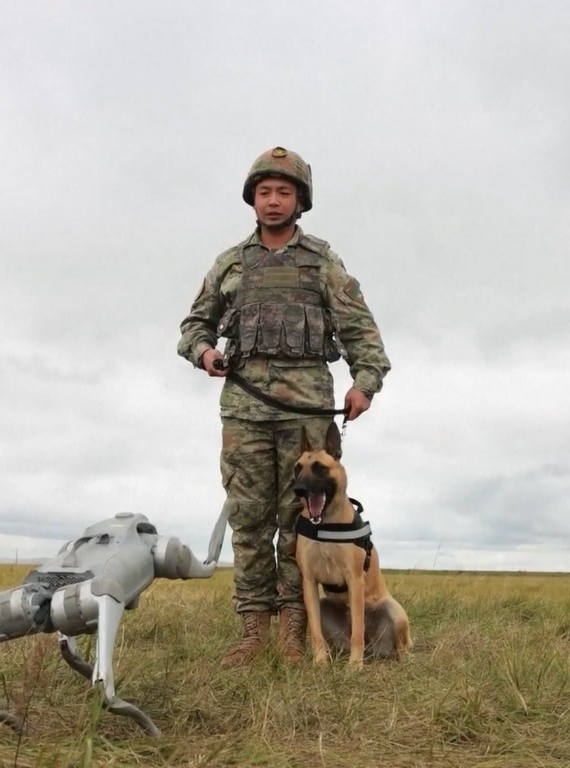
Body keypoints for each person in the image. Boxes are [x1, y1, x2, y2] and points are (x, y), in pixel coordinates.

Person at [176, 146, 392, 667]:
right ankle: (253, 632)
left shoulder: (322, 262)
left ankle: (297, 631)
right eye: (265, 192)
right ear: (253, 199)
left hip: (307, 419)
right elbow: (192, 327)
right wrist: (205, 353)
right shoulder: (230, 264)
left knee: (304, 523)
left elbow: (361, 330)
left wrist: (364, 384)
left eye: (284, 192)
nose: (273, 201)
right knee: (249, 523)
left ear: (300, 201)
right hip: (245, 411)